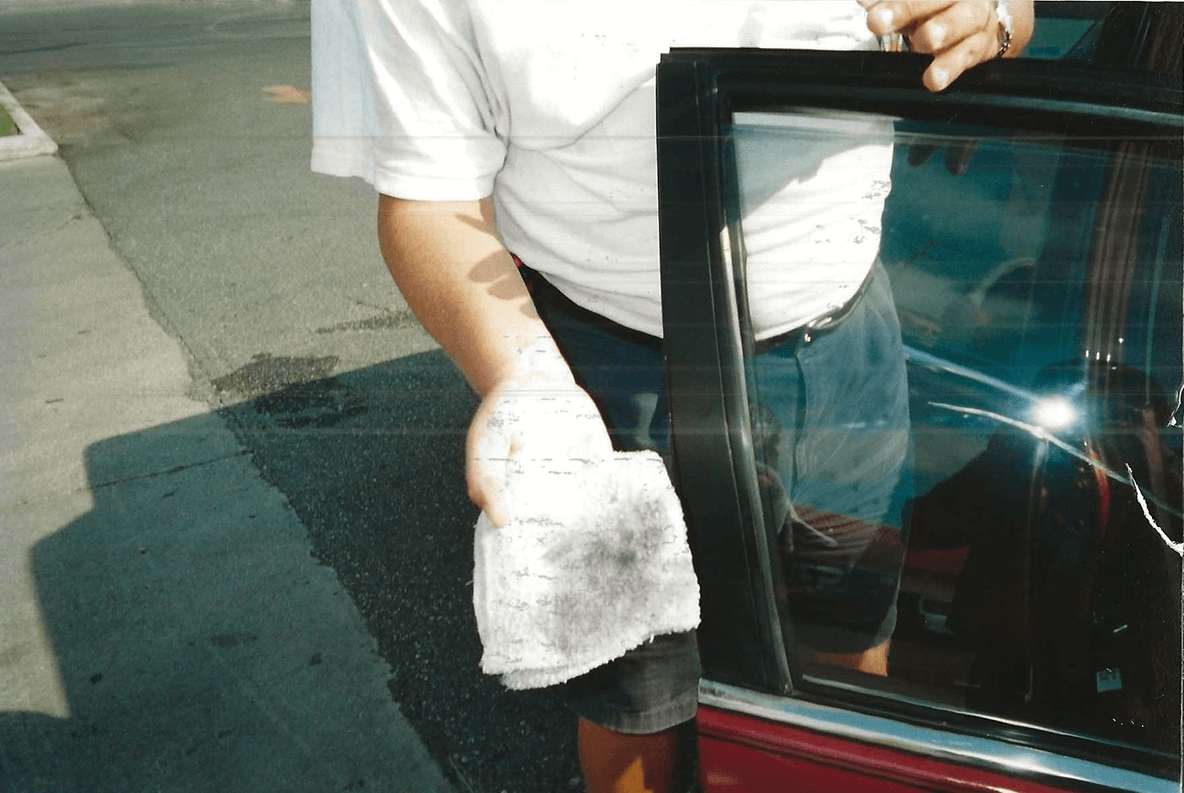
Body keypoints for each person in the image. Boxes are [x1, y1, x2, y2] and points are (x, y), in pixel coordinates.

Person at [310, 2, 1035, 792]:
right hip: (598, 370)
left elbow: (1007, 16)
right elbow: (427, 196)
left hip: (845, 340)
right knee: (633, 693)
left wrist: (994, 20)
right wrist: (528, 383)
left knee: (844, 656)